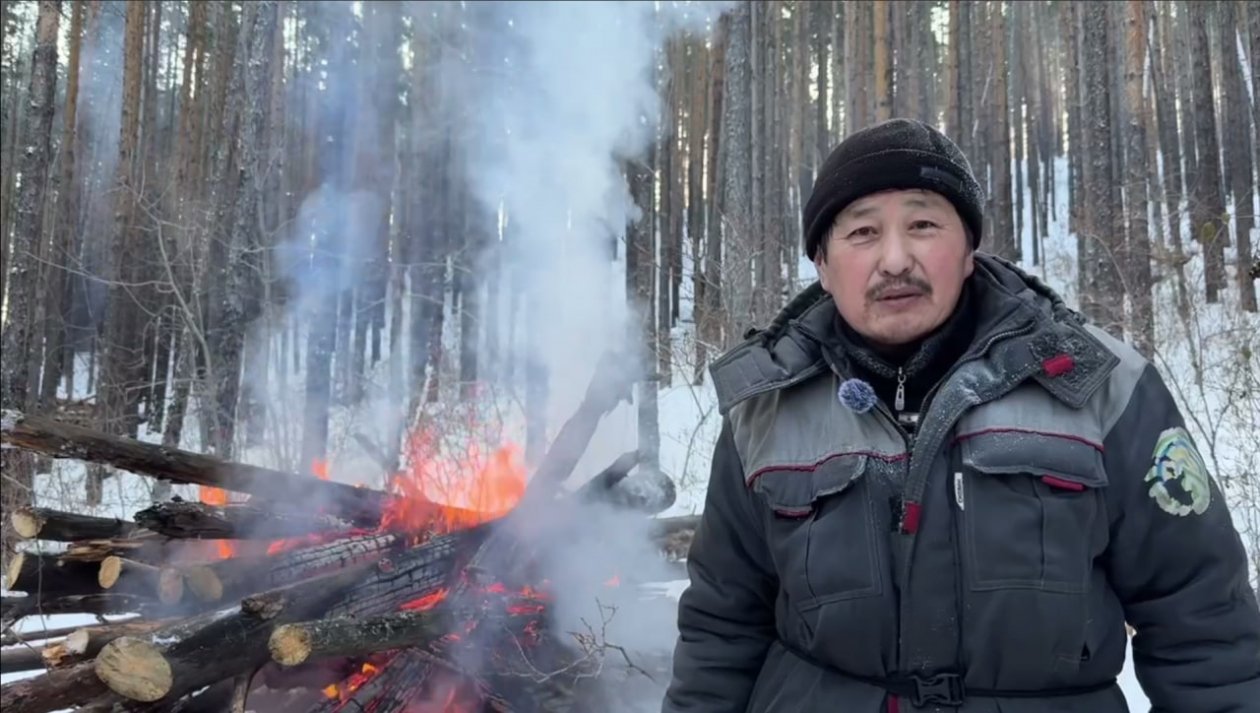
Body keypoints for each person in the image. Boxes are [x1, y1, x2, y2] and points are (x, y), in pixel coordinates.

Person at [661, 118, 1260, 712]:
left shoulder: (1102, 388)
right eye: (863, 232)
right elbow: (724, 627)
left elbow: (1204, 624)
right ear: (822, 263)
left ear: (969, 248)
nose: (895, 259)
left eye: (923, 224)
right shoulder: (767, 407)